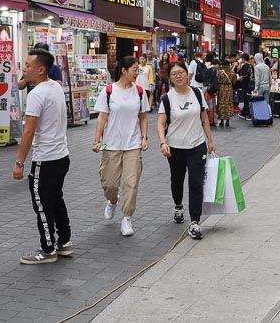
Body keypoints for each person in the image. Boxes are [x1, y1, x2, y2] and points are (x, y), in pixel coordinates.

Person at [13, 49, 71, 265]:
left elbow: (28, 131)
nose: (24, 69)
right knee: (56, 199)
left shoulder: (37, 94)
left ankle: (47, 250)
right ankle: (64, 242)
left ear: (41, 69)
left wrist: (19, 162)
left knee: (43, 205)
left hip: (45, 158)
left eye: (28, 65)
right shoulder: (55, 86)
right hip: (61, 155)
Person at [158, 63, 216, 240]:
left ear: (187, 75)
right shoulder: (167, 98)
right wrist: (163, 143)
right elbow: (161, 123)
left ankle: (195, 222)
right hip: (175, 147)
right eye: (174, 74)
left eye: (181, 72)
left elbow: (204, 118)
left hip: (197, 145)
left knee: (196, 182)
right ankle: (178, 205)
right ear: (170, 78)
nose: (178, 76)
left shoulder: (197, 93)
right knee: (177, 180)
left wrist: (210, 140)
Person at [93, 56, 148, 238]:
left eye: (137, 69)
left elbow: (143, 116)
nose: (137, 72)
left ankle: (126, 217)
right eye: (134, 69)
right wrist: (96, 140)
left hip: (133, 144)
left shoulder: (140, 91)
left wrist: (144, 137)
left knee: (131, 183)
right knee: (109, 183)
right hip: (111, 144)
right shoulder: (108, 91)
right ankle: (113, 201)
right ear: (124, 70)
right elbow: (102, 117)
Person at [215, 59, 235, 128]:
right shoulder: (232, 72)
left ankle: (221, 120)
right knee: (228, 104)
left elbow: (217, 80)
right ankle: (227, 121)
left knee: (221, 104)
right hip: (229, 89)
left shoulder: (220, 72)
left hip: (221, 89)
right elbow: (234, 81)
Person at [236, 52, 254, 118]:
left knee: (246, 98)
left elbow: (245, 74)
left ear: (243, 59)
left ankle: (247, 114)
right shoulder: (251, 65)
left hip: (246, 84)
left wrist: (240, 78)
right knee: (247, 98)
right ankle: (245, 112)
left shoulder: (245, 66)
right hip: (250, 84)